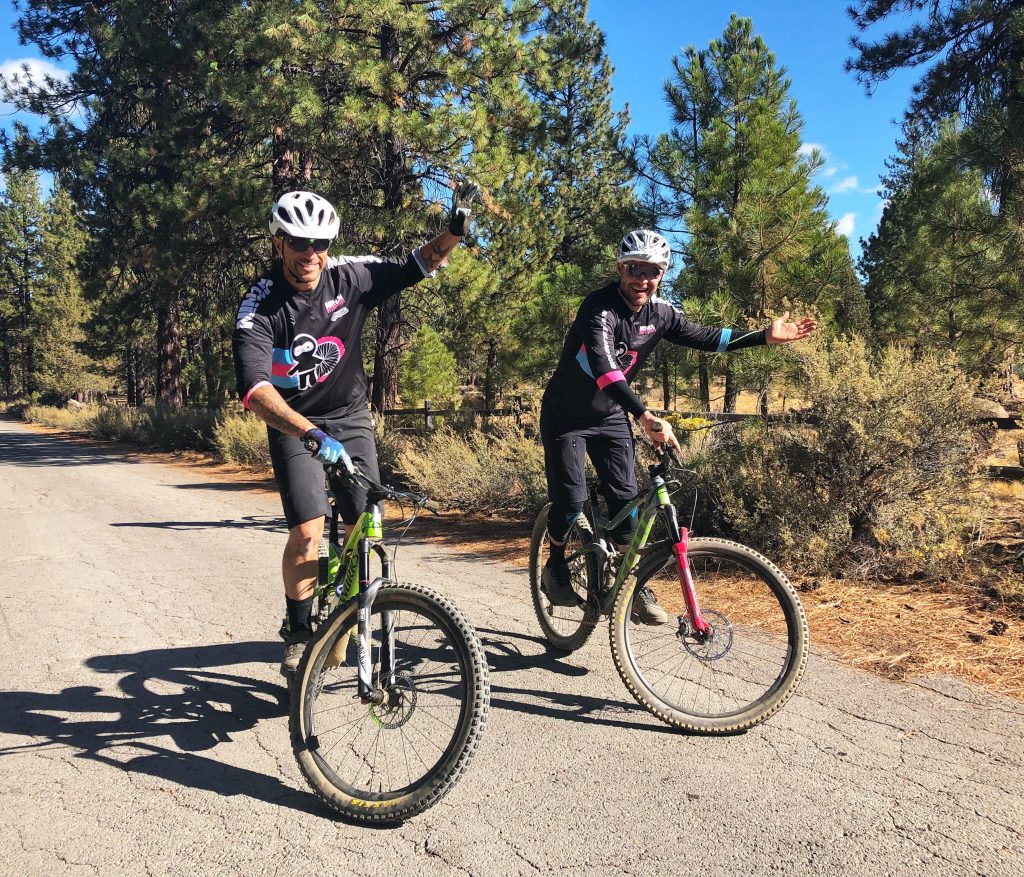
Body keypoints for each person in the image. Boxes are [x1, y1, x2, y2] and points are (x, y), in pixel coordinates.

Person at [233, 183, 480, 678]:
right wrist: (307, 433)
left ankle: (346, 618)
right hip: (292, 422)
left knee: (365, 526)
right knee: (307, 531)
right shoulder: (259, 304)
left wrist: (454, 230)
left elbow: (418, 263)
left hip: (348, 416)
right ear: (277, 241)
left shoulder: (351, 278)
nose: (310, 253)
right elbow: (256, 390)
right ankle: (300, 631)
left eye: (320, 243)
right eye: (298, 242)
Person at [539, 229, 817, 623]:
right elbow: (604, 369)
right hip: (566, 419)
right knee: (569, 501)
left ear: (662, 275)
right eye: (634, 268)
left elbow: (706, 337)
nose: (642, 278)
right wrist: (645, 414)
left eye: (652, 271)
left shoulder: (662, 313)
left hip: (612, 416)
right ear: (620, 269)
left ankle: (630, 585)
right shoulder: (599, 309)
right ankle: (555, 566)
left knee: (626, 502)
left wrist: (762, 338)